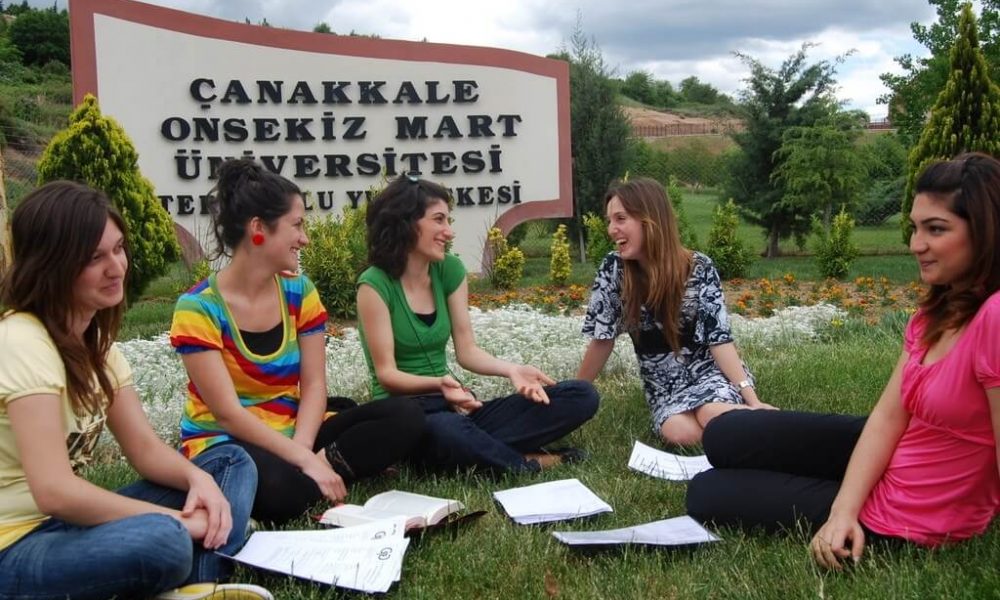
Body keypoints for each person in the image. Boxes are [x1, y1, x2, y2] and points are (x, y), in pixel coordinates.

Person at [686, 152, 1000, 570]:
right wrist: (843, 509)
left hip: (911, 512)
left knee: (706, 492)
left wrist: (846, 518)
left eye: (936, 229)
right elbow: (888, 418)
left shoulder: (995, 318)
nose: (915, 244)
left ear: (985, 232)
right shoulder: (934, 315)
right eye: (915, 228)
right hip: (900, 453)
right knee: (726, 432)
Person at [0, 181, 270, 600]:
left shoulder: (97, 348)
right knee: (163, 540)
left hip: (66, 528)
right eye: (95, 258)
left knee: (229, 463)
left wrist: (196, 478)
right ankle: (201, 559)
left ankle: (197, 584)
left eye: (118, 249)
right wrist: (177, 521)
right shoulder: (22, 342)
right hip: (14, 547)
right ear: (52, 264)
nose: (117, 267)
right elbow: (54, 491)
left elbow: (144, 449)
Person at [170, 159, 424, 524]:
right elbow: (228, 414)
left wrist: (301, 452)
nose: (304, 238)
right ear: (259, 228)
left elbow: (315, 385)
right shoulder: (198, 308)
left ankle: (316, 473)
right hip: (227, 441)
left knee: (406, 416)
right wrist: (302, 460)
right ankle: (322, 473)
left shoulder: (299, 292)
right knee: (282, 493)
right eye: (297, 225)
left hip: (295, 429)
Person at [356, 174, 599, 473]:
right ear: (405, 223)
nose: (449, 232)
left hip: (453, 407)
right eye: (439, 220)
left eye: (449, 220)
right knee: (447, 432)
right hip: (406, 416)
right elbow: (387, 375)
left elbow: (467, 350)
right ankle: (532, 461)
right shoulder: (374, 285)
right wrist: (439, 384)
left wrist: (512, 370)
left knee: (580, 395)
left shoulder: (449, 270)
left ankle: (471, 451)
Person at [577, 178, 773, 447]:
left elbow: (719, 339)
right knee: (680, 434)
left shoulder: (699, 268)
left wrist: (752, 399)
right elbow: (602, 340)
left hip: (709, 372)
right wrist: (572, 399)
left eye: (621, 219)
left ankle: (771, 430)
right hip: (664, 385)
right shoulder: (613, 270)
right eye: (609, 220)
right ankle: (740, 436)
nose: (612, 229)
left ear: (651, 219)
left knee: (712, 414)